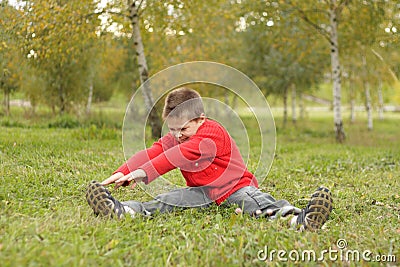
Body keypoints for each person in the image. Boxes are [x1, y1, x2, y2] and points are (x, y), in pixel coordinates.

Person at [86, 87, 332, 231]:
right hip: (202, 193)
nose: (177, 136)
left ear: (200, 119)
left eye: (183, 129)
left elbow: (174, 157)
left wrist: (141, 174)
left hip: (235, 189)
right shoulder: (178, 136)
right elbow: (156, 151)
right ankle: (123, 210)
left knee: (256, 203)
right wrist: (124, 170)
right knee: (169, 200)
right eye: (172, 130)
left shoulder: (211, 134)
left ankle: (301, 218)